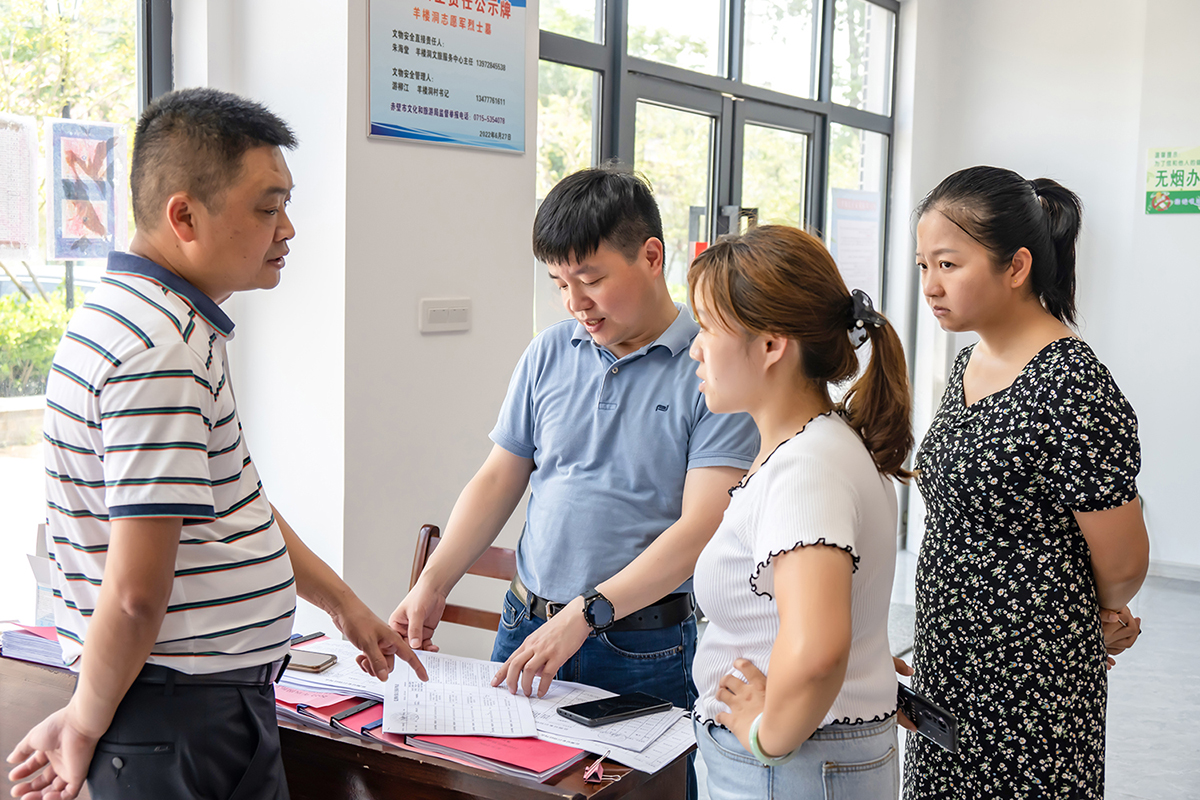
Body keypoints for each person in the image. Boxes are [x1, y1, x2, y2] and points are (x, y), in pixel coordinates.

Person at [6, 87, 427, 800]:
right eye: (267, 207)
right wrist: (80, 725)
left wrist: (342, 604)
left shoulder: (147, 321)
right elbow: (138, 596)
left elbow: (232, 504)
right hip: (180, 720)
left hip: (192, 711)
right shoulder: (157, 351)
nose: (287, 229)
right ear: (185, 215)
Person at [388, 164, 758, 797]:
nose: (574, 303)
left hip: (644, 646)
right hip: (525, 627)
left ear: (650, 256)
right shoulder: (550, 351)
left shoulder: (711, 362)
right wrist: (433, 582)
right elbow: (499, 477)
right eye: (560, 283)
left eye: (591, 280)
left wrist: (588, 614)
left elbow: (702, 527)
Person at [900, 165, 1149, 799]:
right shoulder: (968, 362)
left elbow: (1122, 564)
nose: (930, 285)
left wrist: (1089, 615)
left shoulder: (1073, 385)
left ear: (1016, 267)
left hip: (1032, 681)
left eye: (949, 265)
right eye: (924, 265)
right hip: (949, 662)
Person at [686, 224, 913, 799]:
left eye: (707, 329)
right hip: (813, 762)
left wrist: (767, 735)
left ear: (770, 345)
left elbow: (818, 651)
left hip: (790, 768)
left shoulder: (805, 469)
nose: (695, 348)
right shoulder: (821, 443)